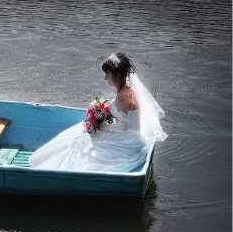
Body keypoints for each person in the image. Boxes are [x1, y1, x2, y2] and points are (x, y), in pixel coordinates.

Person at [29, 52, 167, 172]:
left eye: (107, 74)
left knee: (81, 141)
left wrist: (99, 123)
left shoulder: (124, 96)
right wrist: (101, 115)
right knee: (82, 134)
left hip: (128, 141)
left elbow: (125, 127)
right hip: (130, 135)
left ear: (117, 75)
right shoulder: (127, 90)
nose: (105, 78)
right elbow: (123, 118)